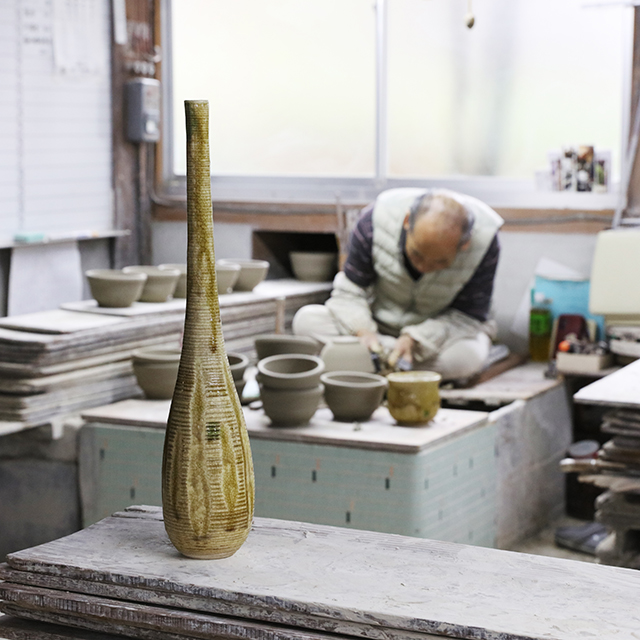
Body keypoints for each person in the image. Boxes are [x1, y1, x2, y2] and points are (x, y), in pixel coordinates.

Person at [292, 187, 503, 382]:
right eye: (417, 254)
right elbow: (349, 293)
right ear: (407, 221)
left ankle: (374, 363)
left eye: (440, 262)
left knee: (467, 358)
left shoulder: (484, 243)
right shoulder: (374, 221)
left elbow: (467, 317)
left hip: (433, 341)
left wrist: (415, 339)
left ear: (465, 244)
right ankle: (394, 362)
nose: (424, 267)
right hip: (377, 328)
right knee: (306, 320)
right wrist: (363, 332)